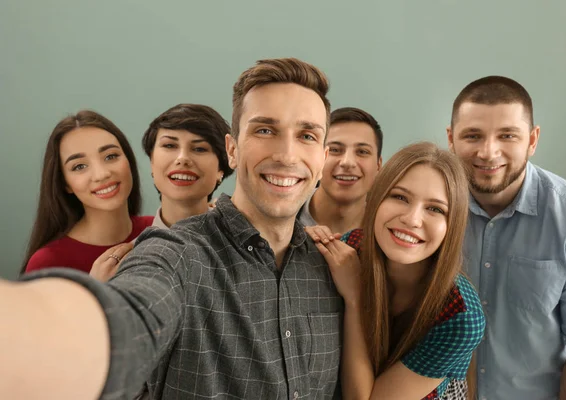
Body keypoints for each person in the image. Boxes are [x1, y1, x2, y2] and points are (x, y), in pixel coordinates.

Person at [1, 57, 342, 400]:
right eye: (264, 130)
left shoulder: (332, 269)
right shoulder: (174, 253)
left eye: (307, 135)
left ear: (323, 158)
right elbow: (129, 316)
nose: (286, 153)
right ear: (233, 150)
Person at [446, 76, 566, 399]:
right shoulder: (431, 209)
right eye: (472, 135)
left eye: (507, 136)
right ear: (451, 139)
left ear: (532, 140)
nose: (488, 152)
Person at [307, 142, 485, 399]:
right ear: (376, 199)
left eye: (435, 209)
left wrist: (355, 297)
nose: (412, 219)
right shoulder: (351, 248)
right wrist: (307, 244)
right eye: (400, 197)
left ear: (452, 225)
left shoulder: (462, 316)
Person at [89, 104, 234, 283]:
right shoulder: (125, 263)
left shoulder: (246, 241)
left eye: (199, 148)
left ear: (222, 168)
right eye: (169, 145)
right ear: (152, 163)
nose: (182, 158)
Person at [21, 110, 153, 275]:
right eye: (79, 166)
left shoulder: (161, 231)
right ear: (65, 184)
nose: (101, 174)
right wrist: (96, 289)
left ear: (128, 160)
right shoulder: (47, 263)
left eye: (111, 156)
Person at [298, 107, 382, 234]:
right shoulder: (281, 213)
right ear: (319, 157)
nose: (347, 162)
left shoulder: (388, 231)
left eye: (362, 152)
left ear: (378, 165)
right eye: (335, 150)